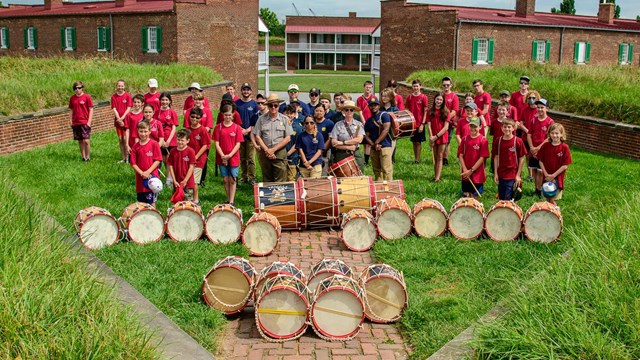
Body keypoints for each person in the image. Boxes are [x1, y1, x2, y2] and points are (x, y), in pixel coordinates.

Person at [253, 94, 293, 182]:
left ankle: (279, 196)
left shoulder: (284, 119)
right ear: (268, 106)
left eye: (276, 105)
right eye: (271, 105)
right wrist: (267, 150)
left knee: (281, 178)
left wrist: (273, 150)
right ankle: (269, 195)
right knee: (267, 178)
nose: (273, 107)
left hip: (279, 152)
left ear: (279, 106)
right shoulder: (261, 119)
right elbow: (257, 136)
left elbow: (288, 138)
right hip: (265, 152)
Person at [213, 104, 244, 205]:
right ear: (222, 115)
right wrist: (223, 155)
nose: (228, 117)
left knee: (232, 179)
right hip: (222, 157)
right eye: (226, 115)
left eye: (229, 115)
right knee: (225, 179)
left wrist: (229, 155)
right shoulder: (218, 127)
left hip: (233, 157)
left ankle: (232, 201)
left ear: (233, 115)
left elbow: (238, 144)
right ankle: (228, 198)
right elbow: (216, 143)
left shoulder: (236, 128)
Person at [493, 119, 527, 201]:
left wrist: (518, 175)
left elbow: (521, 158)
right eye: (505, 127)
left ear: (513, 128)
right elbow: (496, 157)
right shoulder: (498, 141)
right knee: (501, 197)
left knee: (509, 198)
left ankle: (510, 212)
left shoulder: (518, 141)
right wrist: (495, 173)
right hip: (501, 173)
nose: (507, 129)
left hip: (512, 174)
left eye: (509, 127)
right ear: (501, 128)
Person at [130, 120, 162, 206]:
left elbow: (158, 160)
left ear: (149, 131)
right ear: (137, 131)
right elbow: (133, 163)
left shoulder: (154, 144)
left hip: (152, 178)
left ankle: (154, 218)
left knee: (151, 201)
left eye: (145, 131)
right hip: (140, 179)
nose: (143, 134)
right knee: (141, 202)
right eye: (141, 131)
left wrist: (148, 172)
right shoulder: (135, 147)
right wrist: (142, 173)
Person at [538, 123, 572, 204]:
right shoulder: (545, 146)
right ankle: (548, 214)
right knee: (547, 197)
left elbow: (565, 166)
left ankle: (556, 214)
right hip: (546, 177)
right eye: (552, 133)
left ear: (561, 134)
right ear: (549, 134)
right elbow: (541, 160)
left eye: (557, 133)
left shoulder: (564, 147)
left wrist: (553, 176)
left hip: (557, 177)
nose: (554, 135)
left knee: (553, 199)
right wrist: (546, 174)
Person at [527, 99, 554, 197]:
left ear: (547, 109)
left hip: (543, 151)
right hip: (533, 150)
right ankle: (536, 189)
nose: (539, 109)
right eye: (538, 107)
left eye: (542, 107)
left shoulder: (550, 122)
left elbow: (549, 138)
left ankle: (542, 189)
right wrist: (531, 147)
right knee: (534, 170)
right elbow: (529, 134)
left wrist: (537, 148)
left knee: (541, 171)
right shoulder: (533, 120)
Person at [458, 117, 490, 198]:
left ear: (480, 127)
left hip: (477, 174)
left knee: (474, 196)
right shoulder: (464, 139)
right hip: (466, 173)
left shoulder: (483, 140)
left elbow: (482, 157)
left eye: (475, 126)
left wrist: (471, 170)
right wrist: (465, 169)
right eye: (471, 126)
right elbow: (460, 155)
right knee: (466, 195)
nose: (473, 128)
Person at [330, 100, 365, 171]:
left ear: (353, 111)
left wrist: (342, 142)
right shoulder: (338, 125)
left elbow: (359, 139)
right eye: (347, 110)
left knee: (359, 174)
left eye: (351, 110)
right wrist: (348, 147)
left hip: (355, 153)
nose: (349, 112)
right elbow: (333, 142)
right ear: (343, 111)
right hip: (341, 154)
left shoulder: (358, 124)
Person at [364, 97, 393, 181]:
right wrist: (373, 145)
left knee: (386, 170)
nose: (373, 107)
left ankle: (389, 189)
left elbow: (386, 129)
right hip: (374, 148)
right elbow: (366, 135)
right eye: (371, 105)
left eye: (375, 105)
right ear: (369, 107)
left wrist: (377, 142)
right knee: (376, 170)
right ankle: (379, 188)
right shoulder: (368, 121)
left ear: (379, 106)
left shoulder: (384, 115)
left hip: (385, 146)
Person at [235, 82, 258, 185]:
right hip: (239, 135)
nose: (246, 91)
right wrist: (240, 129)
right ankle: (244, 177)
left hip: (251, 135)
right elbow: (234, 118)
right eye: (244, 89)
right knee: (242, 158)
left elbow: (256, 120)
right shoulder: (237, 104)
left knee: (251, 158)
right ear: (241, 91)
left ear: (251, 91)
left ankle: (252, 177)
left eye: (248, 90)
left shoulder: (254, 104)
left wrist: (248, 130)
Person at [187, 108, 211, 203]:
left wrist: (196, 156)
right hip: (188, 159)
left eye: (197, 117)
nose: (194, 119)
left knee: (195, 181)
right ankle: (188, 197)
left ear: (201, 118)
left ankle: (195, 200)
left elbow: (205, 145)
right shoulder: (187, 130)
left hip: (199, 159)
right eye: (192, 116)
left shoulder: (203, 130)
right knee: (188, 178)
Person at [427, 93, 451, 182]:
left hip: (441, 137)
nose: (439, 101)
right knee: (435, 156)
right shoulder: (430, 111)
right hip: (433, 136)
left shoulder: (446, 112)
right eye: (437, 99)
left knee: (440, 156)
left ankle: (437, 177)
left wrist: (436, 136)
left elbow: (446, 127)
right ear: (434, 100)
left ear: (443, 101)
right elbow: (429, 125)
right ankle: (435, 175)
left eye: (441, 100)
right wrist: (431, 137)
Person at [167, 129, 196, 201]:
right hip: (177, 183)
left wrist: (185, 180)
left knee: (187, 204)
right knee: (177, 203)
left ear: (188, 140)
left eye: (182, 140)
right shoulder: (173, 151)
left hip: (188, 183)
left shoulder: (190, 151)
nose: (180, 142)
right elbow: (170, 165)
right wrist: (174, 180)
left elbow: (191, 167)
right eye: (178, 140)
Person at [69, 81, 94, 162]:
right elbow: (71, 110)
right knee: (80, 140)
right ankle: (83, 157)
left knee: (86, 140)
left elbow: (91, 109)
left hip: (85, 122)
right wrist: (70, 121)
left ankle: (88, 157)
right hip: (76, 122)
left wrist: (89, 122)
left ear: (82, 88)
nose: (77, 89)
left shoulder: (87, 97)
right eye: (75, 88)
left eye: (79, 88)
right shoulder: (72, 98)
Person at [405, 79, 428, 163]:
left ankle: (417, 159)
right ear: (412, 87)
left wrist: (423, 123)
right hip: (412, 123)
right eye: (414, 86)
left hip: (419, 123)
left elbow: (425, 111)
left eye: (417, 86)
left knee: (418, 142)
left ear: (420, 86)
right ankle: (415, 158)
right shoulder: (409, 97)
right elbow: (407, 109)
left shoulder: (423, 97)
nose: (415, 88)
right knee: (414, 142)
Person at [111, 79, 132, 163]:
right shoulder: (113, 97)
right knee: (120, 139)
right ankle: (123, 157)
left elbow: (129, 108)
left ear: (124, 86)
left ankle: (128, 157)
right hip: (118, 120)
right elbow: (114, 108)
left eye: (122, 86)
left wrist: (122, 117)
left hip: (126, 120)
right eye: (119, 86)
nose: (120, 87)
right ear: (117, 86)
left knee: (125, 138)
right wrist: (118, 118)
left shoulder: (127, 96)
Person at [156, 93, 179, 166]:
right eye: (162, 100)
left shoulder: (172, 112)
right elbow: (155, 126)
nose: (164, 102)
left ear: (170, 101)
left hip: (170, 140)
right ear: (160, 101)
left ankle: (170, 177)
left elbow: (174, 127)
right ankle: (169, 176)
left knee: (170, 159)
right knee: (164, 159)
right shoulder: (156, 112)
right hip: (160, 139)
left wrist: (168, 141)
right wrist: (161, 141)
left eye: (166, 100)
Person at [283, 104, 303, 181]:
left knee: (291, 178)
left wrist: (288, 154)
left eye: (291, 113)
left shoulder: (298, 127)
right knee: (281, 178)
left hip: (292, 157)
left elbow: (297, 144)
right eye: (287, 113)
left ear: (294, 114)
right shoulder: (280, 125)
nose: (289, 115)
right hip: (280, 156)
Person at [441, 76, 459, 166]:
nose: (446, 87)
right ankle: (440, 156)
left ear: (451, 85)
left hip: (449, 123)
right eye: (444, 85)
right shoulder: (440, 95)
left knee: (447, 141)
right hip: (440, 122)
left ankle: (445, 158)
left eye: (447, 85)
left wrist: (446, 120)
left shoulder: (454, 96)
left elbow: (454, 111)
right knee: (440, 140)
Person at [313, 104, 334, 175]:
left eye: (321, 111)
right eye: (317, 111)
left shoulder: (329, 123)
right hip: (312, 151)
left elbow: (330, 139)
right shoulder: (310, 122)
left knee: (323, 173)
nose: (318, 112)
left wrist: (322, 149)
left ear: (324, 112)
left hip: (325, 151)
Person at [357, 80, 375, 164]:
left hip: (371, 121)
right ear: (364, 87)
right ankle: (365, 158)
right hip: (364, 121)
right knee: (364, 142)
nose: (368, 89)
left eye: (370, 87)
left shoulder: (374, 98)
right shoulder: (360, 99)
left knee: (369, 142)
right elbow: (360, 111)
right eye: (367, 87)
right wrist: (364, 121)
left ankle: (367, 160)